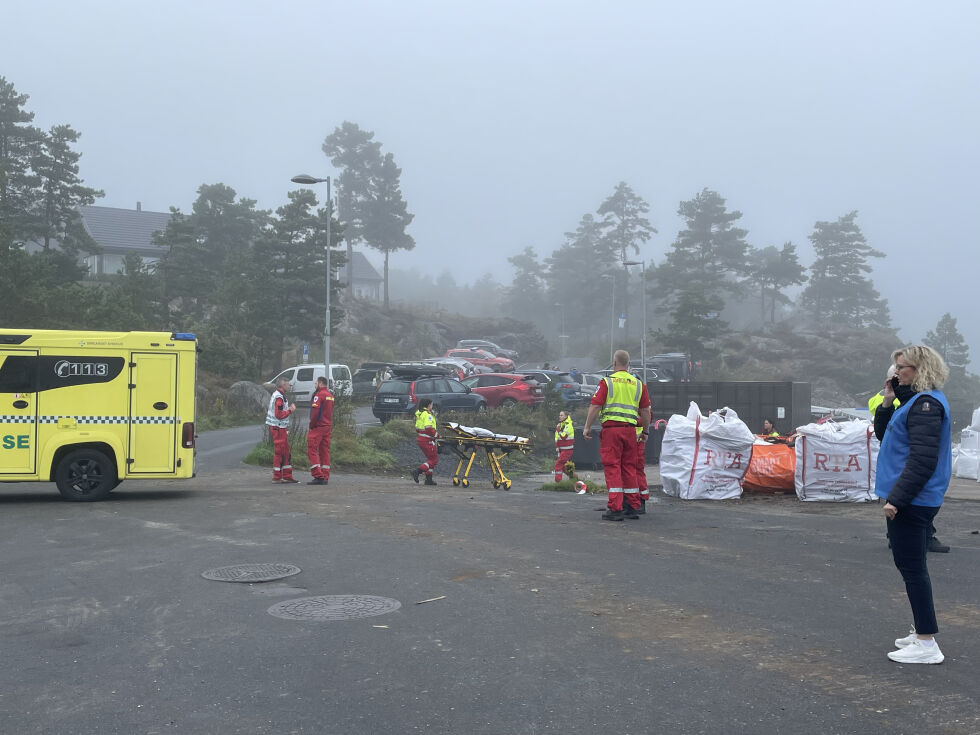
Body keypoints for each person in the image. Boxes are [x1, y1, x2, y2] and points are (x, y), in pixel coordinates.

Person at [874, 345, 952, 664]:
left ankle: (926, 643)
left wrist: (897, 499)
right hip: (913, 498)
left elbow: (922, 460)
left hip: (913, 499)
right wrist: (888, 399)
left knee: (912, 568)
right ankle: (921, 630)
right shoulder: (914, 403)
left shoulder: (926, 407)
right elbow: (885, 435)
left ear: (920, 369)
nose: (896, 372)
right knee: (911, 566)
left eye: (902, 367)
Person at [871, 365, 949, 554]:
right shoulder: (891, 399)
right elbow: (882, 432)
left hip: (909, 470)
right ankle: (907, 535)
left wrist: (896, 500)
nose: (898, 377)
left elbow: (923, 457)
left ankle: (925, 535)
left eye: (901, 371)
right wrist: (887, 403)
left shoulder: (923, 404)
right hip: (898, 469)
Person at [583, 349, 651, 521]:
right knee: (629, 468)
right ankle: (633, 506)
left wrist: (587, 427)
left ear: (614, 363)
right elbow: (645, 411)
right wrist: (645, 431)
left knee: (613, 468)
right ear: (628, 365)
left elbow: (595, 406)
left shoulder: (607, 382)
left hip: (612, 431)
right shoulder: (638, 384)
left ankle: (615, 508)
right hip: (630, 431)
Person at [265, 377, 298, 483]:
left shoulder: (278, 395)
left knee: (285, 451)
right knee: (280, 452)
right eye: (288, 385)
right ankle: (278, 476)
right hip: (278, 428)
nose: (289, 386)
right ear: (283, 386)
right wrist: (290, 410)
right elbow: (279, 415)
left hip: (279, 427)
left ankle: (286, 475)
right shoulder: (279, 397)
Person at [306, 376, 334, 485]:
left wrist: (311, 425)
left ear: (321, 383)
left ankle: (318, 475)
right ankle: (325, 475)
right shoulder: (330, 396)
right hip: (327, 426)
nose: (315, 385)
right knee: (324, 451)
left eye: (316, 383)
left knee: (312, 449)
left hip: (318, 427)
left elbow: (315, 413)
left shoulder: (319, 395)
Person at [411, 397, 439, 485]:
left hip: (421, 439)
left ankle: (429, 479)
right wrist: (437, 435)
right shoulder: (427, 415)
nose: (432, 406)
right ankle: (418, 471)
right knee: (434, 460)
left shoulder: (420, 414)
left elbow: (417, 428)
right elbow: (429, 428)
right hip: (427, 440)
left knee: (430, 459)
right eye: (431, 404)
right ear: (428, 405)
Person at [553, 410, 575, 482]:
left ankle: (558, 482)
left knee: (558, 465)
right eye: (559, 415)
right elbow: (557, 437)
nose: (560, 416)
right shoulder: (560, 425)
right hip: (561, 450)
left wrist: (558, 429)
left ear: (566, 416)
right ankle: (575, 479)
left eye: (561, 415)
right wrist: (557, 447)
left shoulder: (569, 425)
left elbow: (563, 436)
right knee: (564, 467)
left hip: (567, 450)